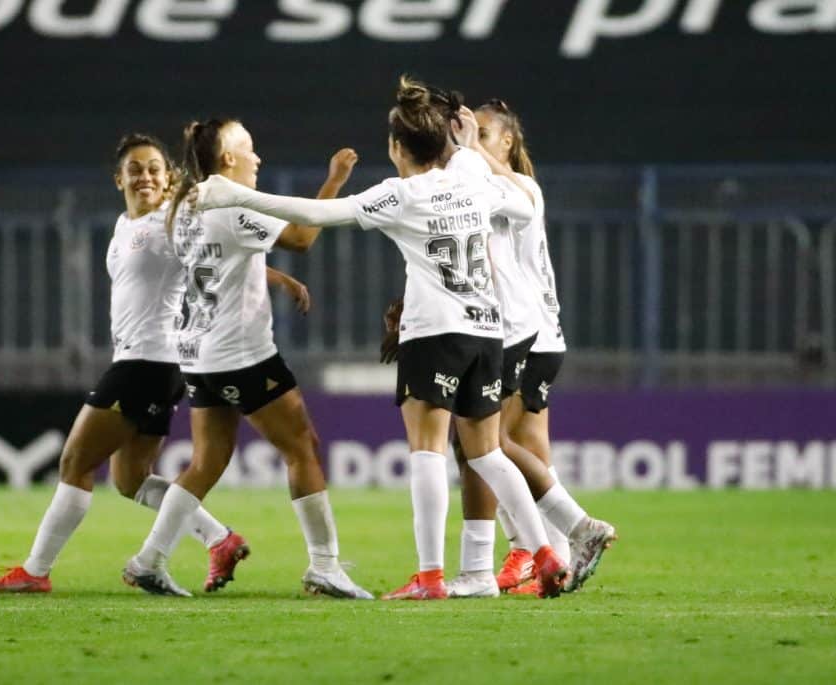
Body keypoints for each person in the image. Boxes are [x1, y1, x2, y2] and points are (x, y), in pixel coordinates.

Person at [191, 78, 572, 600]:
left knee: (428, 451)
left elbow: (316, 215)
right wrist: (469, 150)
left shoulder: (400, 194)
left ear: (396, 147)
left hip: (434, 333)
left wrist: (233, 194)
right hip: (487, 331)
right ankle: (544, 553)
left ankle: (431, 577)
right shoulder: (471, 174)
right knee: (486, 455)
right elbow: (526, 209)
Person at [0, 133, 308, 594]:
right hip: (152, 365)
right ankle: (220, 538)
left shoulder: (170, 223)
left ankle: (35, 571)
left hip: (147, 363)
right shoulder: (122, 226)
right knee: (130, 478)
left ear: (168, 176)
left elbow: (219, 256)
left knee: (75, 461)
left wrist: (277, 277)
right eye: (135, 169)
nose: (145, 176)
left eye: (154, 168)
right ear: (119, 179)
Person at [120, 119, 373, 599]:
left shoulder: (184, 204)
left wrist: (275, 280)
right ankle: (325, 566)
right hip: (241, 355)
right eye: (249, 149)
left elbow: (221, 260)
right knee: (302, 447)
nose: (258, 158)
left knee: (207, 461)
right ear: (228, 159)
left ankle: (148, 560)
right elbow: (301, 238)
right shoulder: (233, 204)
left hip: (196, 352)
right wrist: (335, 181)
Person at [382, 100, 616, 597]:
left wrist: (464, 150)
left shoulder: (515, 187)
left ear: (507, 142)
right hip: (527, 331)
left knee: (486, 449)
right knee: (514, 449)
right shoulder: (481, 188)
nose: (469, 142)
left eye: (483, 134)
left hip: (517, 331)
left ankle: (554, 540)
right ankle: (539, 555)